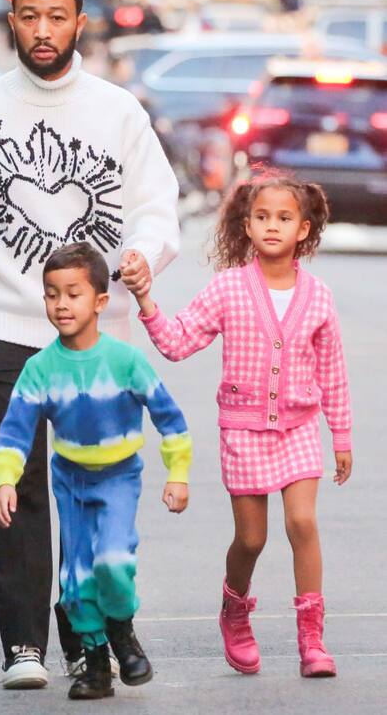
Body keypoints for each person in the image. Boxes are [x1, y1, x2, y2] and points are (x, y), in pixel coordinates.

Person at [0, 0, 180, 689]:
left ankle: (86, 637)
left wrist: (144, 255)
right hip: (0, 327)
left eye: (58, 16)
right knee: (15, 483)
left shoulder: (117, 112)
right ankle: (23, 641)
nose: (44, 30)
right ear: (11, 21)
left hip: (92, 338)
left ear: (79, 22)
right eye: (30, 15)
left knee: (87, 489)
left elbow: (156, 206)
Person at [125, 171, 353, 679]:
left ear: (304, 229)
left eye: (284, 218)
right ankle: (235, 608)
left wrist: (340, 436)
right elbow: (178, 341)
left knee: (302, 522)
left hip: (298, 428)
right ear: (246, 226)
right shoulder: (228, 288)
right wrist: (146, 302)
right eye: (262, 217)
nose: (272, 226)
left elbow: (333, 373)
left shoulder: (317, 297)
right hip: (244, 431)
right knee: (251, 540)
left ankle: (311, 638)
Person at [0, 241, 191, 699]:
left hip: (118, 477)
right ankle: (97, 665)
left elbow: (170, 419)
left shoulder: (124, 361)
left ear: (100, 302)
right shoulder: (40, 369)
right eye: (52, 293)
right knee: (75, 582)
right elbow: (14, 431)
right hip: (72, 481)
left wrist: (177, 473)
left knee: (114, 563)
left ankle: (122, 630)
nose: (61, 304)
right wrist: (5, 481)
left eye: (73, 293)